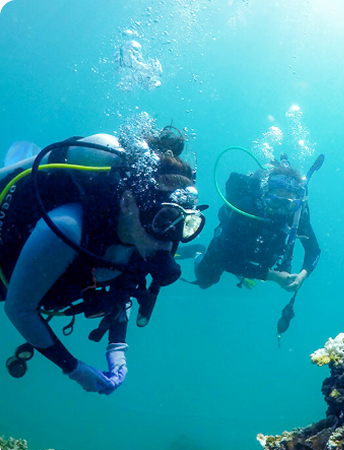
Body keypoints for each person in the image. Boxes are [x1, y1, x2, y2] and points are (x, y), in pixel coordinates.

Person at [0, 124, 205, 394]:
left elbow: (126, 286)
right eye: (162, 220)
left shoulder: (143, 235)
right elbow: (19, 309)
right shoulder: (68, 228)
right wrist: (74, 369)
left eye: (185, 226)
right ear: (127, 203)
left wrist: (118, 347)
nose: (167, 242)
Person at [193, 157, 320, 292]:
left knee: (255, 261)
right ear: (265, 196)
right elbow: (226, 258)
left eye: (288, 203)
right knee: (205, 280)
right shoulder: (248, 206)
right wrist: (273, 276)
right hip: (231, 246)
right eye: (276, 201)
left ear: (296, 203)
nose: (281, 209)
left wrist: (303, 275)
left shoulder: (297, 214)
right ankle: (197, 251)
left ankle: (244, 269)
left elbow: (314, 250)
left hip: (260, 253)